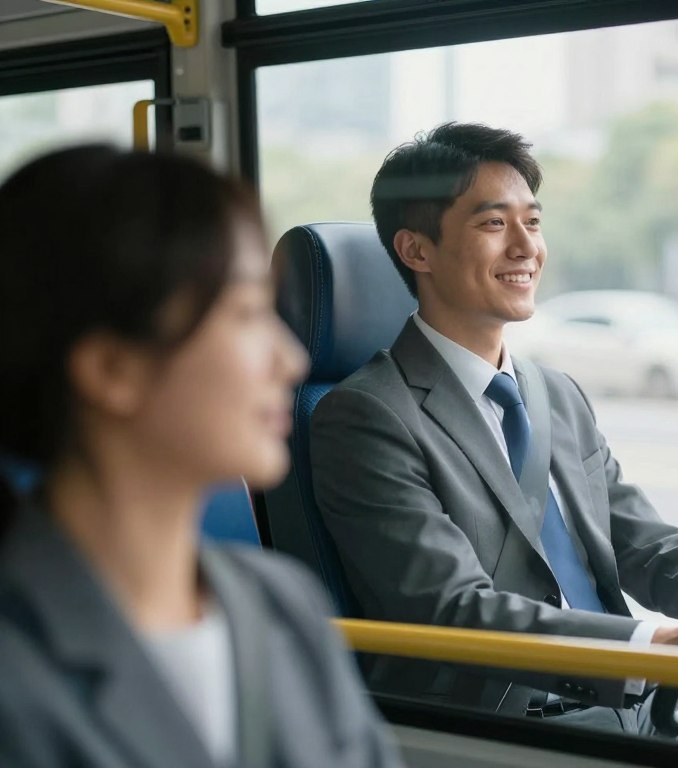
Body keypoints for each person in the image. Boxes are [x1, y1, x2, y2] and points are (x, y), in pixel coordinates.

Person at [310, 123, 678, 732]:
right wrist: (659, 646)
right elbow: (450, 608)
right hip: (503, 725)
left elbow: (643, 547)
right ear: (417, 251)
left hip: (629, 706)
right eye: (494, 224)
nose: (527, 247)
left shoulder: (556, 394)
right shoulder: (367, 414)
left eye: (533, 221)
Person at [0, 145, 403, 768]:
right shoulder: (17, 673)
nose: (291, 361)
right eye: (247, 313)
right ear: (112, 368)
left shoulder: (285, 605)